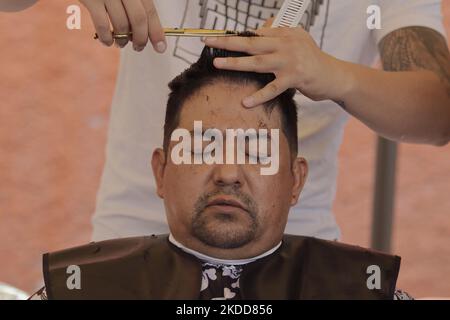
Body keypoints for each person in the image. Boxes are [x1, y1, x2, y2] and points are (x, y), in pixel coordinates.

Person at [30, 47, 410, 300]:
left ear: (296, 180)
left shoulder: (365, 291)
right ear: (161, 172)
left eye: (254, 150)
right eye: (200, 148)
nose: (228, 172)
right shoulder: (77, 291)